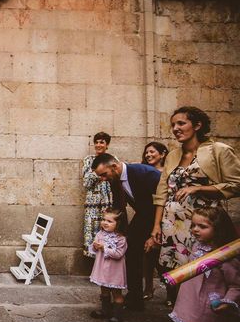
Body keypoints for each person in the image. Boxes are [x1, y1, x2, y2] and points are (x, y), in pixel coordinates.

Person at [149, 107, 240, 306]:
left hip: (202, 222)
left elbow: (236, 185)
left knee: (201, 269)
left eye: (181, 123)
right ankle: (180, 313)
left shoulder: (219, 150)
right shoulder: (172, 155)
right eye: (173, 124)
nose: (175, 128)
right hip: (172, 224)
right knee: (173, 269)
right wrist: (156, 226)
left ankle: (203, 313)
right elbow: (161, 194)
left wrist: (199, 189)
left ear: (197, 125)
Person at [169, 207, 239, 322]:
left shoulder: (226, 257)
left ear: (218, 228)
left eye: (203, 226)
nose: (195, 230)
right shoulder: (198, 247)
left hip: (213, 308)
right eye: (193, 225)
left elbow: (236, 284)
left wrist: (228, 301)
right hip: (197, 306)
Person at [92, 153, 160, 311]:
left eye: (104, 174)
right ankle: (135, 298)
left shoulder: (145, 173)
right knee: (130, 251)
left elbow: (163, 201)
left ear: (114, 166)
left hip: (162, 217)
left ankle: (173, 299)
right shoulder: (114, 179)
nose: (103, 179)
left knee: (161, 259)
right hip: (143, 216)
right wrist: (118, 232)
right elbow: (119, 208)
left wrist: (156, 229)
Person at [88, 208, 128, 322]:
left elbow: (119, 254)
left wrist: (104, 247)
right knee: (104, 289)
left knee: (116, 293)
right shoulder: (100, 234)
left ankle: (117, 316)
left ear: (118, 224)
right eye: (104, 220)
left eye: (110, 221)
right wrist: (95, 246)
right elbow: (94, 249)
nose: (105, 223)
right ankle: (105, 310)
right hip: (102, 268)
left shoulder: (121, 239)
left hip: (114, 270)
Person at [140, 141, 168, 300]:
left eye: (152, 152)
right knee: (148, 254)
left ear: (163, 154)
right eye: (146, 152)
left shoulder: (168, 172)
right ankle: (148, 288)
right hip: (149, 216)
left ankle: (171, 291)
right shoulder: (143, 172)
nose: (148, 155)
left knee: (165, 256)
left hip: (167, 216)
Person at [81, 132, 113, 257]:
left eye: (102, 142)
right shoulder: (88, 160)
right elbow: (86, 182)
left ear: (107, 145)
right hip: (92, 205)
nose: (99, 145)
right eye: (97, 142)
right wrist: (99, 173)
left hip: (107, 203)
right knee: (92, 235)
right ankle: (94, 269)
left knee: (107, 234)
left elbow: (114, 178)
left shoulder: (112, 159)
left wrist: (95, 172)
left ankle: (105, 268)